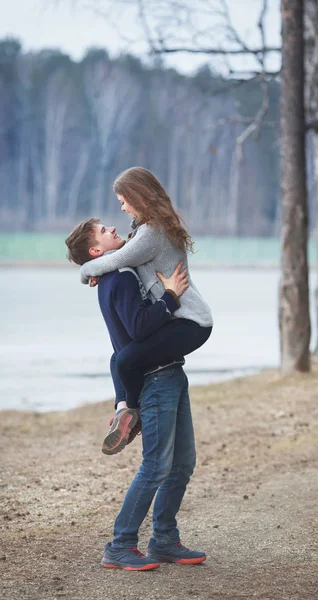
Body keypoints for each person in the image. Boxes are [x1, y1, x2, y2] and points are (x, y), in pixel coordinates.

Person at [65, 219, 206, 570]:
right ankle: (120, 544)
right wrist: (171, 296)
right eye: (103, 231)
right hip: (155, 378)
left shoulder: (116, 272)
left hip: (171, 373)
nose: (113, 227)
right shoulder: (121, 277)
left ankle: (164, 540)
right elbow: (140, 328)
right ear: (96, 251)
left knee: (182, 463)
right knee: (157, 465)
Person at [76, 166, 213, 453]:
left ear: (137, 197)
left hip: (190, 322)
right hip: (176, 318)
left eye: (123, 201)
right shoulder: (146, 230)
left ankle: (131, 414)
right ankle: (124, 410)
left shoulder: (151, 233)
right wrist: (103, 268)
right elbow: (118, 258)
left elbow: (115, 259)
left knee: (126, 361)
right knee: (118, 360)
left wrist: (87, 270)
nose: (122, 208)